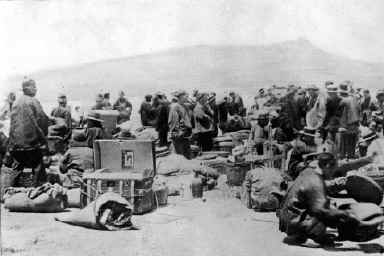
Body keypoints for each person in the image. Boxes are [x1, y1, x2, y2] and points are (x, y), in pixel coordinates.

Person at [279, 152, 376, 246]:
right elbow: (323, 211)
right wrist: (347, 215)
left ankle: (302, 231)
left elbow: (345, 167)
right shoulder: (316, 182)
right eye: (334, 170)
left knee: (326, 204)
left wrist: (368, 159)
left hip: (286, 218)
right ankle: (308, 236)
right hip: (293, 222)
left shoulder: (308, 171)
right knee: (329, 209)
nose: (334, 173)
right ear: (327, 166)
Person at [8, 78, 49, 186]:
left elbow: (13, 124)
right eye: (34, 86)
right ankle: (37, 192)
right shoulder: (33, 101)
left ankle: (8, 194)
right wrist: (44, 139)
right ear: (28, 89)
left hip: (16, 144)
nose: (36, 89)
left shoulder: (16, 103)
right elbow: (42, 120)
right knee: (38, 167)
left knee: (17, 168)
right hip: (31, 143)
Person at [337, 83, 360, 159]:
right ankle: (351, 160)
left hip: (346, 127)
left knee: (343, 147)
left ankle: (343, 160)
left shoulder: (342, 101)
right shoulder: (354, 99)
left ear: (340, 93)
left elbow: (341, 116)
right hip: (355, 126)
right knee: (352, 146)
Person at [168, 90, 192, 159]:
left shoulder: (184, 106)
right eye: (185, 96)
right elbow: (173, 122)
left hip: (185, 135)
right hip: (179, 135)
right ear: (180, 97)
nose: (187, 97)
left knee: (187, 156)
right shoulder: (175, 107)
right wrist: (178, 132)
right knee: (180, 156)